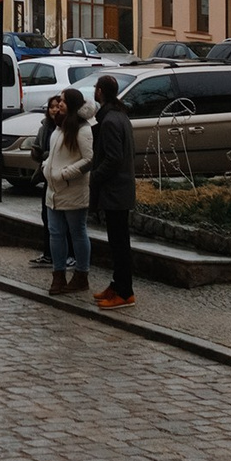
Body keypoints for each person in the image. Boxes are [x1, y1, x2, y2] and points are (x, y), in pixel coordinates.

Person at [88, 74, 137, 309]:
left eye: (96, 88)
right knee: (118, 242)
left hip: (115, 191)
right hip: (120, 189)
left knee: (119, 244)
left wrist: (95, 176)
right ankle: (117, 285)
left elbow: (114, 158)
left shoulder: (109, 121)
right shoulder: (120, 116)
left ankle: (124, 291)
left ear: (100, 92)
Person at [41, 88, 97, 295]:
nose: (59, 104)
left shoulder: (82, 129)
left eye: (63, 101)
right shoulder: (58, 127)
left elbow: (89, 160)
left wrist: (65, 173)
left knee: (77, 232)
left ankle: (81, 275)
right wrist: (47, 166)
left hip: (72, 190)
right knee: (55, 233)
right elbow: (54, 154)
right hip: (53, 190)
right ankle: (58, 275)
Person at [27, 95, 64, 268]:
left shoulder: (64, 128)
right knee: (45, 215)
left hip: (59, 176)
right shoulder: (45, 127)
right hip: (45, 174)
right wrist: (36, 153)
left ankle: (63, 255)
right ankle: (48, 253)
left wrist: (46, 155)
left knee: (59, 219)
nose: (55, 109)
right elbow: (38, 147)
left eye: (58, 106)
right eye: (52, 106)